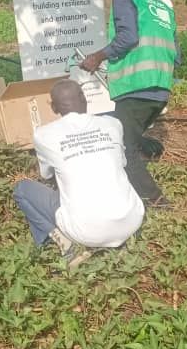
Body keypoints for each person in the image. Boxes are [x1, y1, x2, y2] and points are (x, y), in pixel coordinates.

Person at [13, 79, 144, 259]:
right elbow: (122, 163)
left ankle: (63, 243)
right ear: (85, 99)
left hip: (86, 231)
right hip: (131, 221)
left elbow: (46, 175)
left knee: (22, 189)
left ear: (54, 108)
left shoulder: (43, 134)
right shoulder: (112, 124)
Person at [80, 0, 179, 208]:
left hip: (137, 87)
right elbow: (177, 54)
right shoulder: (164, 10)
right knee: (127, 127)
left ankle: (155, 201)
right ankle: (147, 145)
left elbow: (128, 37)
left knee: (123, 148)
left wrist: (98, 57)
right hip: (161, 89)